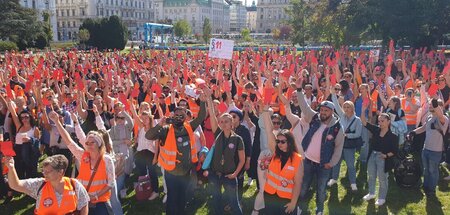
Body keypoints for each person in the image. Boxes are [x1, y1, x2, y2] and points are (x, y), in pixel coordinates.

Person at [145, 90, 207, 215]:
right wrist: (159, 125)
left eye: (182, 114)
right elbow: (149, 136)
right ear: (173, 116)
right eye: (177, 114)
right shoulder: (166, 129)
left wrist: (204, 101)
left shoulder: (189, 127)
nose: (179, 117)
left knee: (182, 198)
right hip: (171, 172)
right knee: (172, 199)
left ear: (185, 116)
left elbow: (201, 117)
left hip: (185, 171)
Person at [48, 111, 115, 215]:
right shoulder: (83, 156)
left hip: (101, 202)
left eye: (92, 142)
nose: (88, 145)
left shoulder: (106, 159)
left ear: (99, 144)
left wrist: (96, 196)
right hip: (83, 201)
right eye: (87, 143)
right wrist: (57, 122)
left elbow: (110, 183)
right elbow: (69, 141)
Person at [296, 78, 344, 215]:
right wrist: (299, 90)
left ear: (331, 112)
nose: (323, 112)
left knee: (321, 189)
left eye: (326, 111)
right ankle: (300, 207)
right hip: (308, 161)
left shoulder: (337, 128)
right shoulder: (315, 117)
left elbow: (338, 147)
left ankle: (320, 209)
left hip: (324, 165)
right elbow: (304, 107)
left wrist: (332, 163)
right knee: (304, 186)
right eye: (322, 109)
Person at [203, 91, 245, 215]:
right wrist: (210, 98)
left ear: (232, 124)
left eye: (226, 121)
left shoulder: (238, 139)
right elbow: (212, 113)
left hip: (229, 176)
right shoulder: (217, 134)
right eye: (221, 122)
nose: (223, 123)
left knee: (234, 203)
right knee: (216, 202)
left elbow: (242, 160)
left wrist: (235, 174)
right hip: (215, 174)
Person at [6, 154, 89, 215]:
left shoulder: (74, 185)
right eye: (43, 171)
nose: (44, 174)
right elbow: (15, 185)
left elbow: (84, 204)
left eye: (48, 171)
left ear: (61, 172)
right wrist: (11, 168)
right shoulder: (39, 185)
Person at [261, 103, 303, 215]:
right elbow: (269, 131)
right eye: (278, 141)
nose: (279, 144)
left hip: (286, 199)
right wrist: (265, 111)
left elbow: (298, 183)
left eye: (283, 141)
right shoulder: (275, 153)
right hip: (269, 195)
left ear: (289, 142)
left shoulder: (297, 159)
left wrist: (293, 203)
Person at [409, 98, 449, 197]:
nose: (429, 106)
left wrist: (435, 104)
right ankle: (426, 186)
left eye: (432, 105)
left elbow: (440, 114)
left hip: (436, 151)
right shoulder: (429, 117)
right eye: (430, 105)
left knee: (433, 171)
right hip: (426, 149)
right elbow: (423, 128)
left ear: (437, 107)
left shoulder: (443, 119)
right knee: (426, 170)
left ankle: (431, 190)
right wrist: (413, 132)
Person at [361, 103, 399, 206]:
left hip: (383, 158)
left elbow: (395, 151)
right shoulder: (376, 130)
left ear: (388, 121)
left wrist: (386, 156)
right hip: (372, 156)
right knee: (371, 175)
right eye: (379, 121)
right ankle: (372, 193)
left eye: (382, 121)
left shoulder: (393, 136)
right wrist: (363, 109)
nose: (380, 123)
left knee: (382, 178)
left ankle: (382, 198)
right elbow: (364, 122)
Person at [328, 88, 362, 191]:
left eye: (348, 107)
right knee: (336, 162)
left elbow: (358, 134)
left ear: (352, 108)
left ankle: (353, 183)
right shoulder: (342, 116)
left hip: (348, 145)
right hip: (339, 144)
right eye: (345, 107)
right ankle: (334, 179)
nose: (346, 109)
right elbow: (335, 104)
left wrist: (347, 136)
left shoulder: (357, 120)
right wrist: (333, 94)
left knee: (350, 165)